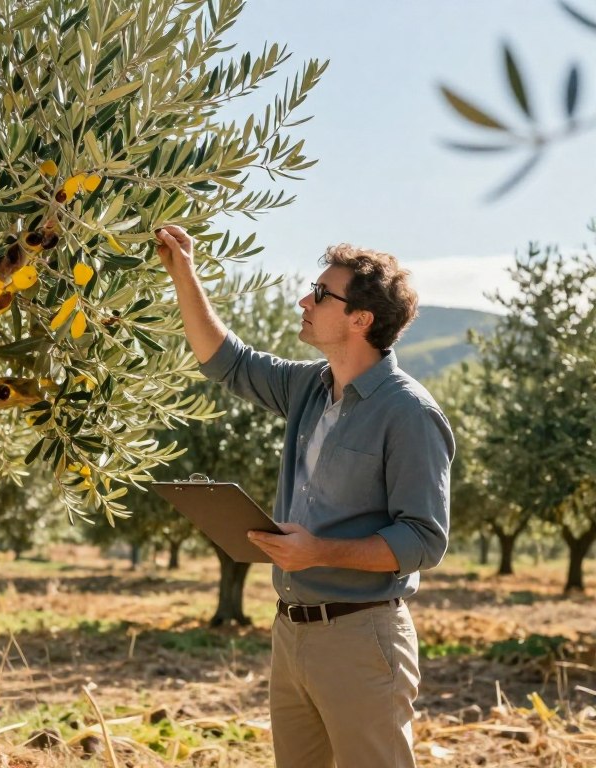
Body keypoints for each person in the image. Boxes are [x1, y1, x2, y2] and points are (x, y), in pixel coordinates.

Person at [155, 224, 454, 768]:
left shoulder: (409, 413)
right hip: (291, 631)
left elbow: (424, 540)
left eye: (321, 294)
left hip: (364, 637)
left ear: (361, 319)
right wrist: (184, 273)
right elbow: (228, 361)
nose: (304, 300)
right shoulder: (309, 388)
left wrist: (319, 552)